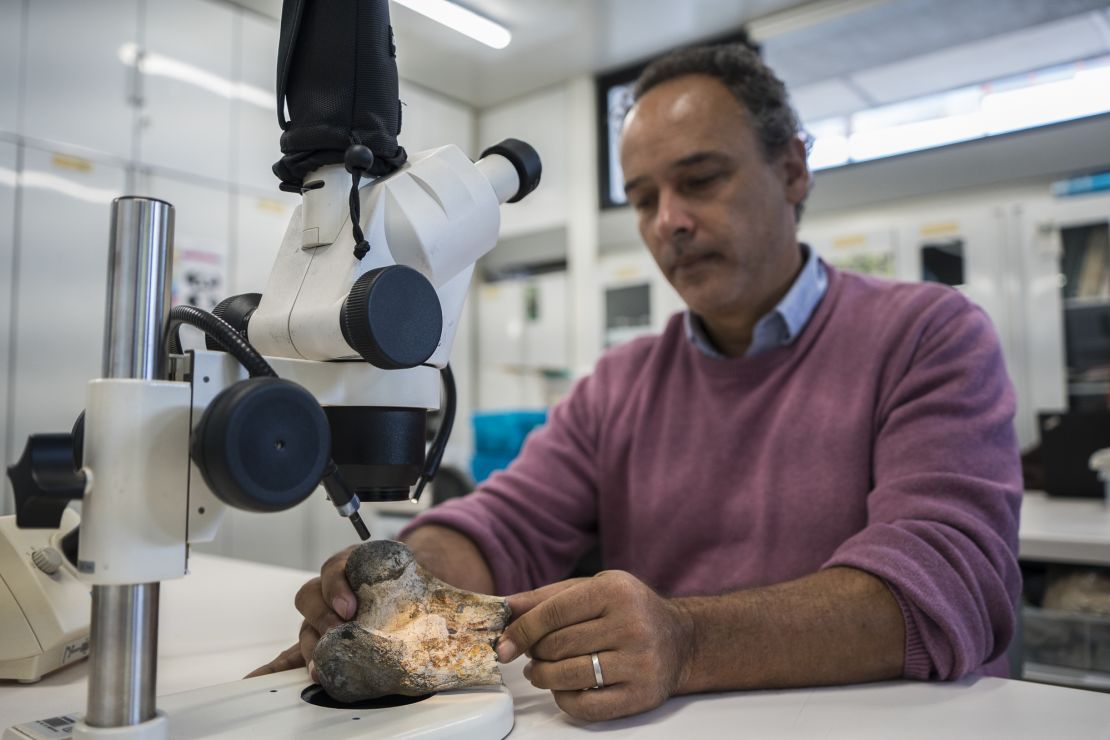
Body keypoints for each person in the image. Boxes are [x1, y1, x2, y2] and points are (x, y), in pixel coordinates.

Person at [251, 43, 1022, 722]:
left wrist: (686, 641)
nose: (669, 222)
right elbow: (507, 526)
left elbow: (952, 586)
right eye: (645, 198)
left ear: (791, 170)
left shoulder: (928, 336)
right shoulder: (620, 386)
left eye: (701, 180)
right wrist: (401, 583)